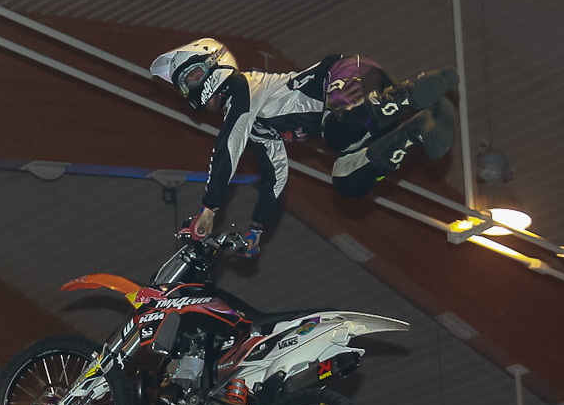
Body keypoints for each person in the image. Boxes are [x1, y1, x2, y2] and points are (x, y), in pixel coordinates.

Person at [149, 38, 457, 258]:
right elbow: (276, 175)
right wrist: (257, 228)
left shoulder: (243, 87)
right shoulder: (257, 126)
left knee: (335, 134)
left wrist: (209, 208)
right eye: (184, 85)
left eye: (192, 76)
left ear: (215, 61)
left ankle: (412, 93)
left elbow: (228, 145)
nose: (190, 88)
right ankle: (419, 128)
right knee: (347, 180)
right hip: (361, 120)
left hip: (350, 75)